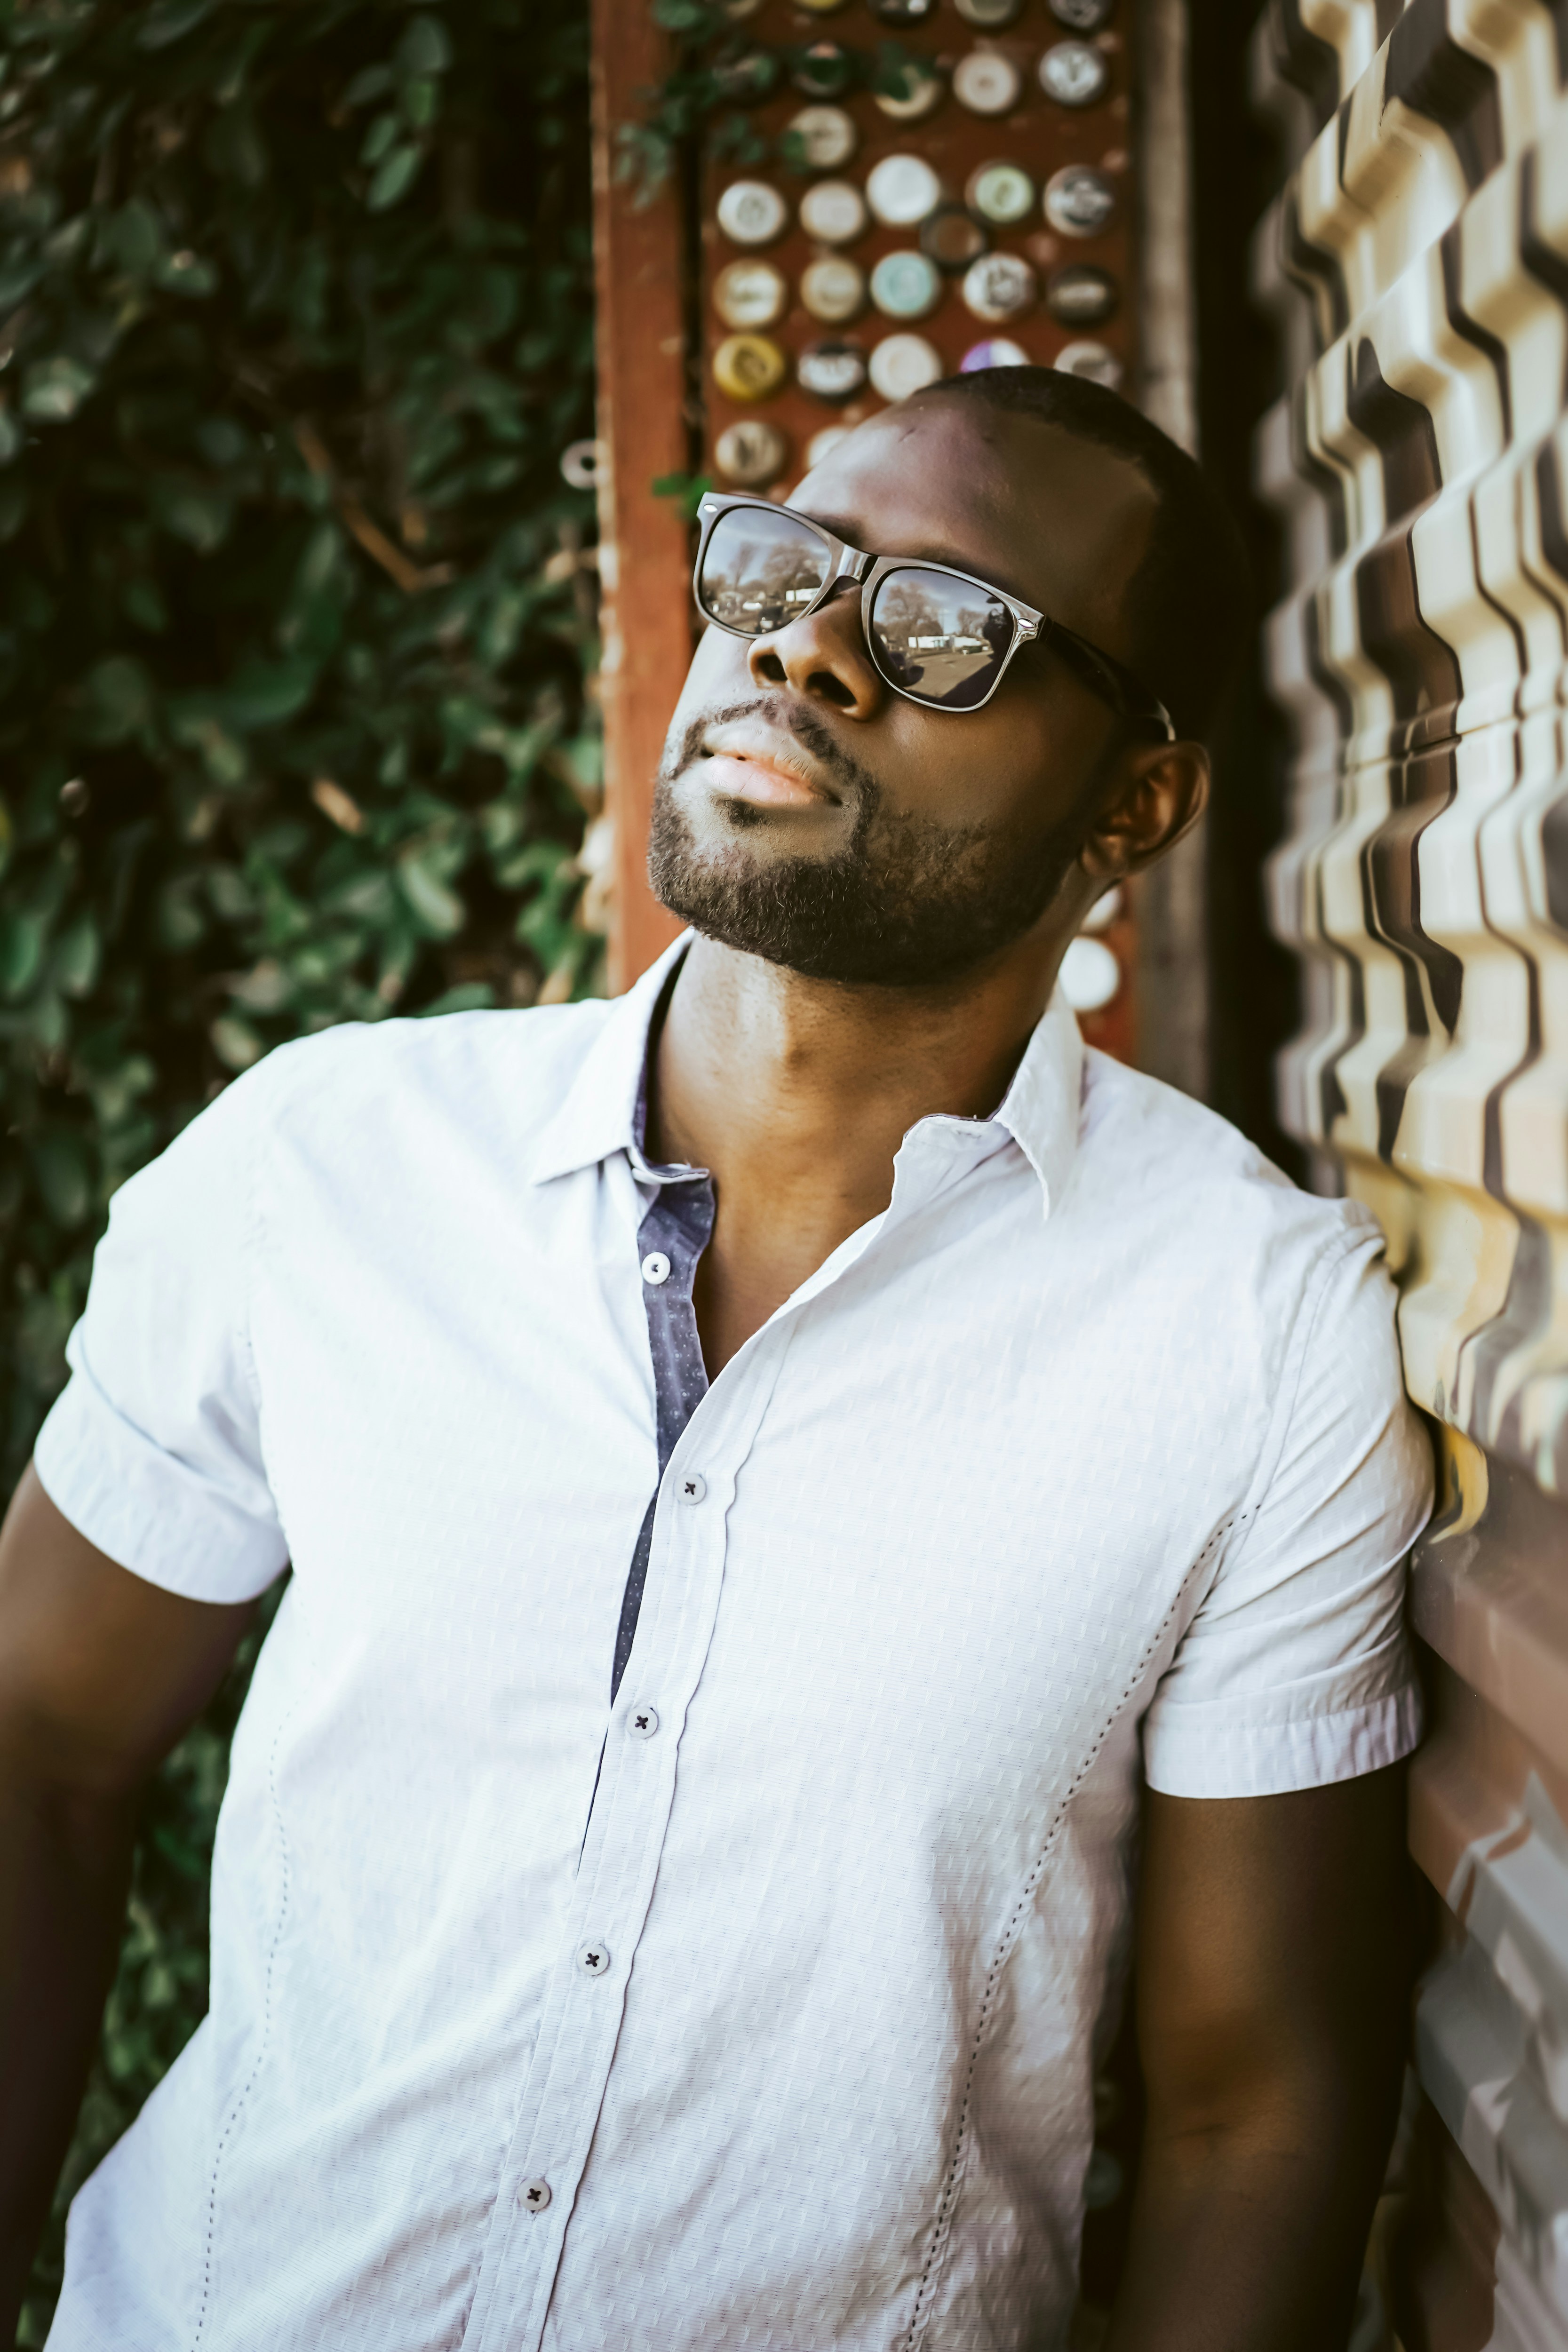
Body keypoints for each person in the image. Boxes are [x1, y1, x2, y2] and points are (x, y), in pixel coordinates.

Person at [0, 368, 1432, 2352]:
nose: (812, 649)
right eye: (788, 567)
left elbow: (1248, 2101)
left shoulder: (1253, 1334)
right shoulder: (321, 1168)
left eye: (943, 631)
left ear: (1137, 806)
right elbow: (38, 1751)